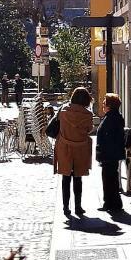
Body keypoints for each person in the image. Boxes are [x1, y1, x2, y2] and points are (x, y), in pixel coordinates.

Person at [53, 86, 93, 217]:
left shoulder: (63, 111)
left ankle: (65, 207)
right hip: (80, 148)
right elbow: (89, 129)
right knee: (78, 177)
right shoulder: (88, 115)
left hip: (64, 147)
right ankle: (78, 206)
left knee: (65, 178)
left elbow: (56, 125)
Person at [96, 93, 125, 213]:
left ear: (109, 105)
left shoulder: (111, 118)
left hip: (109, 153)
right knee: (111, 177)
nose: (103, 104)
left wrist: (103, 152)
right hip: (111, 153)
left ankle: (109, 202)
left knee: (108, 178)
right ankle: (114, 202)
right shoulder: (113, 117)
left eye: (104, 102)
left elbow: (109, 137)